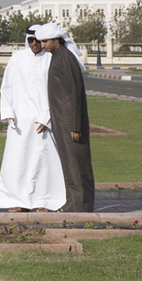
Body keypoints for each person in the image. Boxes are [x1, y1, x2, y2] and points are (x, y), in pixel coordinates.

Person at [0, 25, 66, 213]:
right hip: (19, 120)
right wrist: (8, 112)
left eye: (38, 40)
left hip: (42, 121)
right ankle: (16, 201)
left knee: (42, 162)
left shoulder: (51, 59)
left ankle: (43, 201)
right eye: (30, 40)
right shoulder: (18, 58)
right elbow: (7, 86)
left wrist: (46, 117)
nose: (34, 44)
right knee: (17, 161)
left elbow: (56, 92)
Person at [35, 22, 95, 212]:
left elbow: (74, 94)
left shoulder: (65, 59)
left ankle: (80, 206)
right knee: (70, 164)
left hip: (70, 123)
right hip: (63, 121)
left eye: (45, 41)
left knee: (77, 164)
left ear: (56, 40)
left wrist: (75, 126)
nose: (42, 45)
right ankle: (73, 202)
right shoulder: (57, 56)